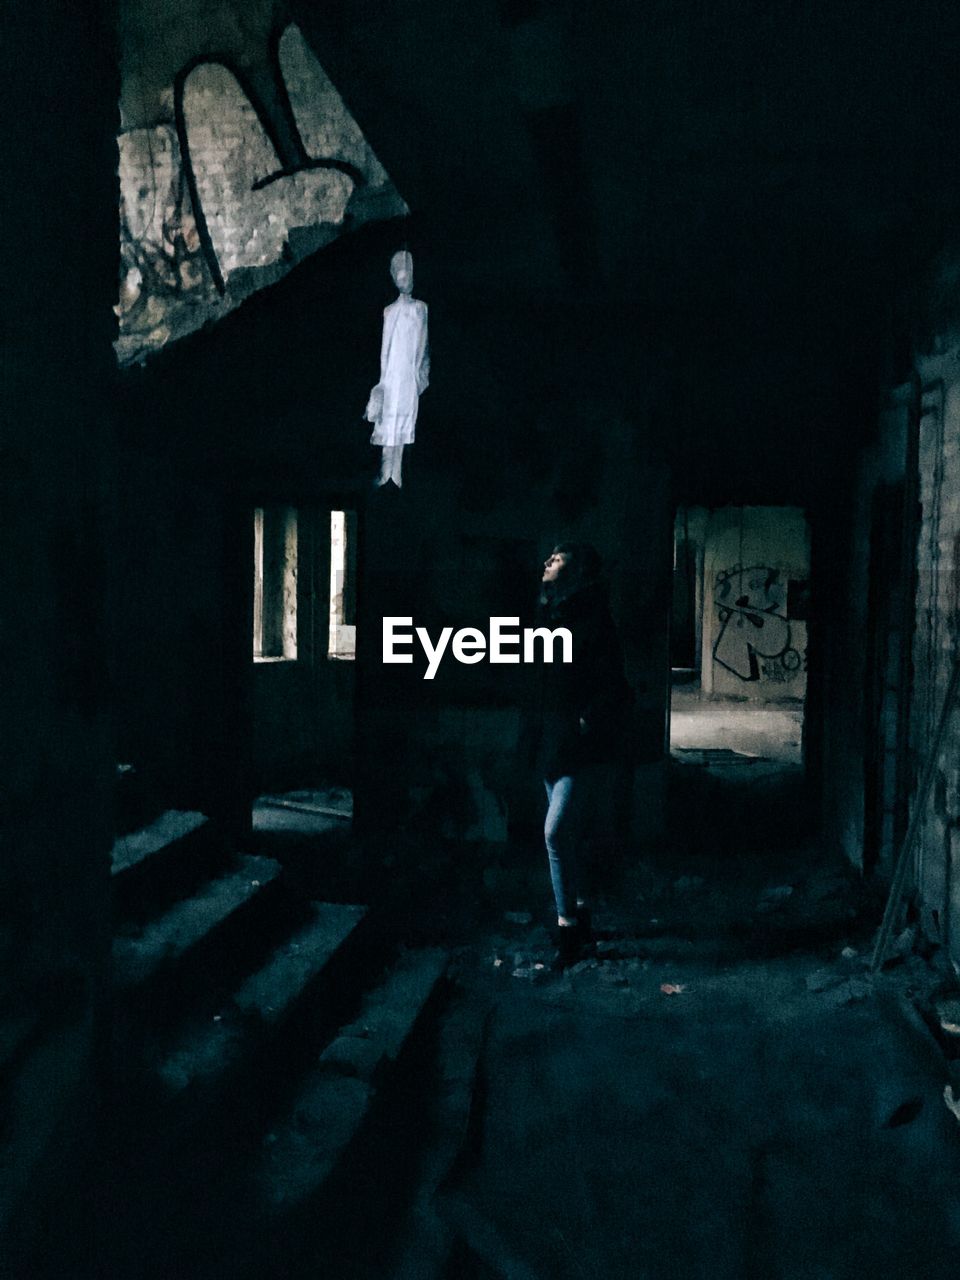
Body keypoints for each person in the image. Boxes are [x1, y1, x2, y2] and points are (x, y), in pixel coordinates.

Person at [531, 542, 631, 967]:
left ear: (578, 572)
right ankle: (582, 917)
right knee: (570, 836)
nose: (550, 559)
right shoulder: (548, 613)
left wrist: (587, 721)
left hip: (579, 746)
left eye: (560, 558)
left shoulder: (592, 618)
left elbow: (614, 684)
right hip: (552, 742)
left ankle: (568, 930)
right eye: (549, 556)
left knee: (556, 834)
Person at [364, 249, 430, 488]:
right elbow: (386, 345)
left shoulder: (421, 308)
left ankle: (396, 472)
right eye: (401, 278)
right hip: (392, 373)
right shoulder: (390, 311)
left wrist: (419, 371)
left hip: (408, 375)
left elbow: (423, 341)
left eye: (408, 277)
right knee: (387, 421)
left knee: (404, 422)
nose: (406, 282)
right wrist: (382, 380)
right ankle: (385, 471)